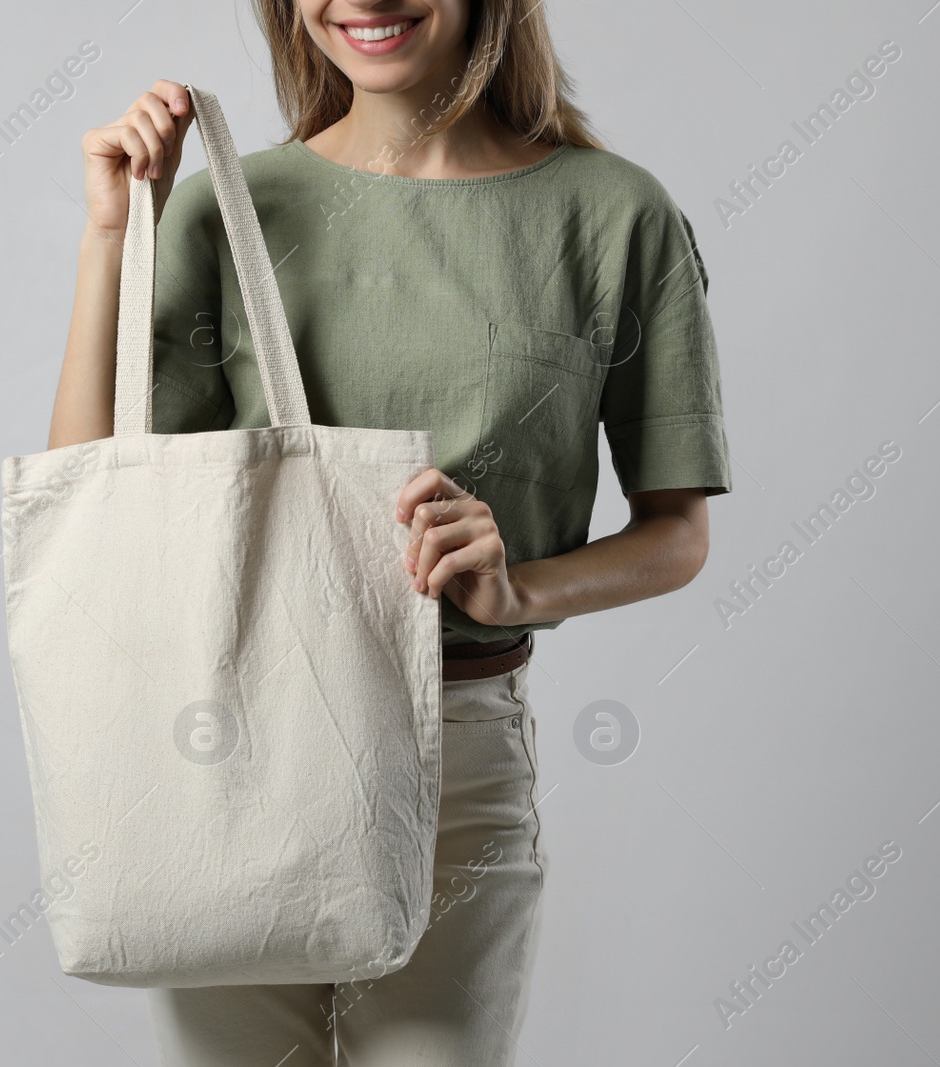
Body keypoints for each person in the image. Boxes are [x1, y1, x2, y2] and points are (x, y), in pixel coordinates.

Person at [45, 2, 731, 1063]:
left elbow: (676, 531)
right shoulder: (230, 208)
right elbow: (96, 497)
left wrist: (521, 589)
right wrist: (110, 233)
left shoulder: (610, 214)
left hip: (453, 750)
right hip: (231, 740)